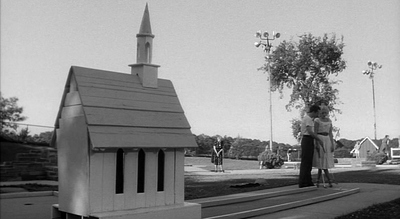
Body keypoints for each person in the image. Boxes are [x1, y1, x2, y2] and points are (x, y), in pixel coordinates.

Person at [298, 105, 323, 188]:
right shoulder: (308, 119)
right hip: (307, 139)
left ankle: (308, 180)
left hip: (309, 139)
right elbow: (310, 131)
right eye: (317, 113)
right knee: (306, 162)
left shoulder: (310, 120)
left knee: (309, 162)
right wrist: (318, 139)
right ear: (314, 112)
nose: (317, 115)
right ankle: (303, 181)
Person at [312, 106, 335, 188]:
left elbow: (330, 133)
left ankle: (319, 181)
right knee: (321, 161)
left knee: (325, 161)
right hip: (320, 138)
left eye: (325, 113)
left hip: (327, 139)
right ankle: (328, 180)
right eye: (322, 113)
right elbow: (315, 132)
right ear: (319, 113)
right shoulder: (317, 120)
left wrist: (332, 144)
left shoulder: (329, 121)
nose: (324, 114)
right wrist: (317, 143)